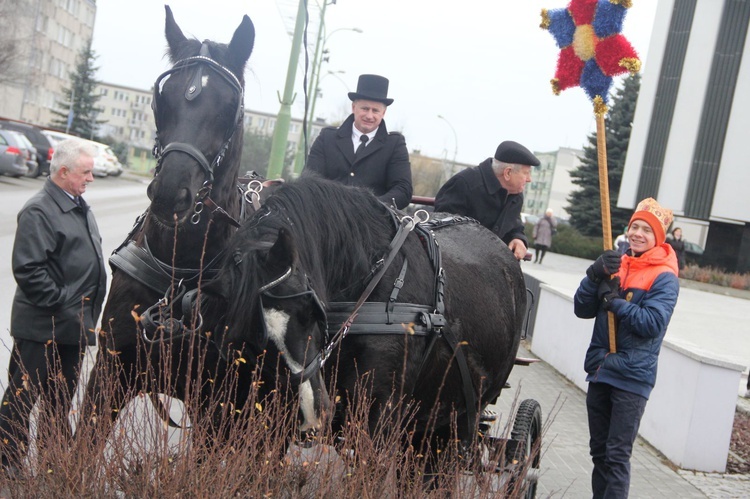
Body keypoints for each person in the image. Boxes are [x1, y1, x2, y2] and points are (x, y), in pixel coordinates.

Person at [0, 138, 106, 475]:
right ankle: (7, 463)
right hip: (43, 326)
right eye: (85, 172)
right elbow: (29, 270)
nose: (90, 178)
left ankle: (52, 462)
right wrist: (64, 305)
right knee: (22, 398)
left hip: (72, 326)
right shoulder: (39, 209)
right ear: (63, 172)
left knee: (59, 401)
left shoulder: (76, 203)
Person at [574, 197, 679, 498]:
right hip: (601, 370)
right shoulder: (615, 265)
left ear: (658, 237)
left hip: (632, 379)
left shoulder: (665, 277)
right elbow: (582, 309)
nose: (638, 234)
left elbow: (651, 324)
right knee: (600, 455)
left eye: (647, 230)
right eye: (635, 226)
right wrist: (593, 275)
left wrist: (616, 304)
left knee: (617, 457)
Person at [305, 74, 413, 209]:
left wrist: (370, 208)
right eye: (365, 108)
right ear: (353, 107)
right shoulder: (327, 138)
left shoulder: (395, 144)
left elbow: (403, 189)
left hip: (373, 222)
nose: (369, 116)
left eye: (375, 110)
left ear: (383, 113)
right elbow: (309, 180)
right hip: (327, 217)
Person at [434, 140, 539, 260]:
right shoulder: (465, 184)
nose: (529, 179)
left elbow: (515, 225)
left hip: (493, 266)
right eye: (526, 173)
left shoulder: (515, 195)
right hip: (458, 264)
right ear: (508, 172)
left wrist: (519, 239)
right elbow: (443, 229)